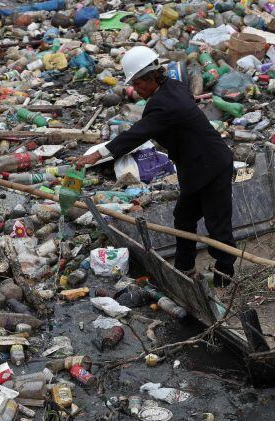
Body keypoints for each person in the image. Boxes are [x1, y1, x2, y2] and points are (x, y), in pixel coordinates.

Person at [76, 47, 236, 286]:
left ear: (151, 78)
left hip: (211, 165)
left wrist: (98, 154)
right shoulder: (174, 87)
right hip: (194, 166)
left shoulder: (163, 105)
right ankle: (184, 269)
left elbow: (137, 134)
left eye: (138, 84)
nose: (136, 89)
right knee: (183, 217)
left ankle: (224, 278)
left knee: (217, 226)